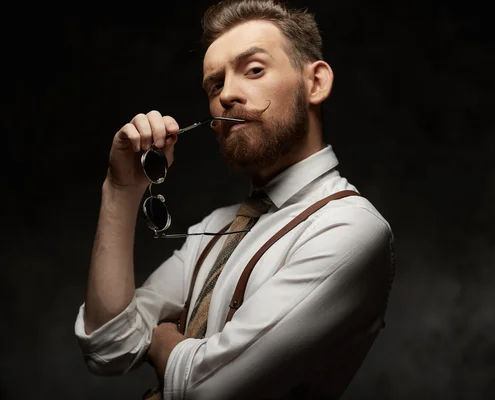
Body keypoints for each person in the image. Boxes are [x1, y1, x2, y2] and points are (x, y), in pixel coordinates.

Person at [74, 0, 395, 399]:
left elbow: (202, 389)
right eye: (215, 84)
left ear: (315, 83)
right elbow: (109, 348)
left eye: (254, 70)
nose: (227, 95)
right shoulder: (215, 228)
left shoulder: (349, 228)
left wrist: (160, 342)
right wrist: (121, 189)